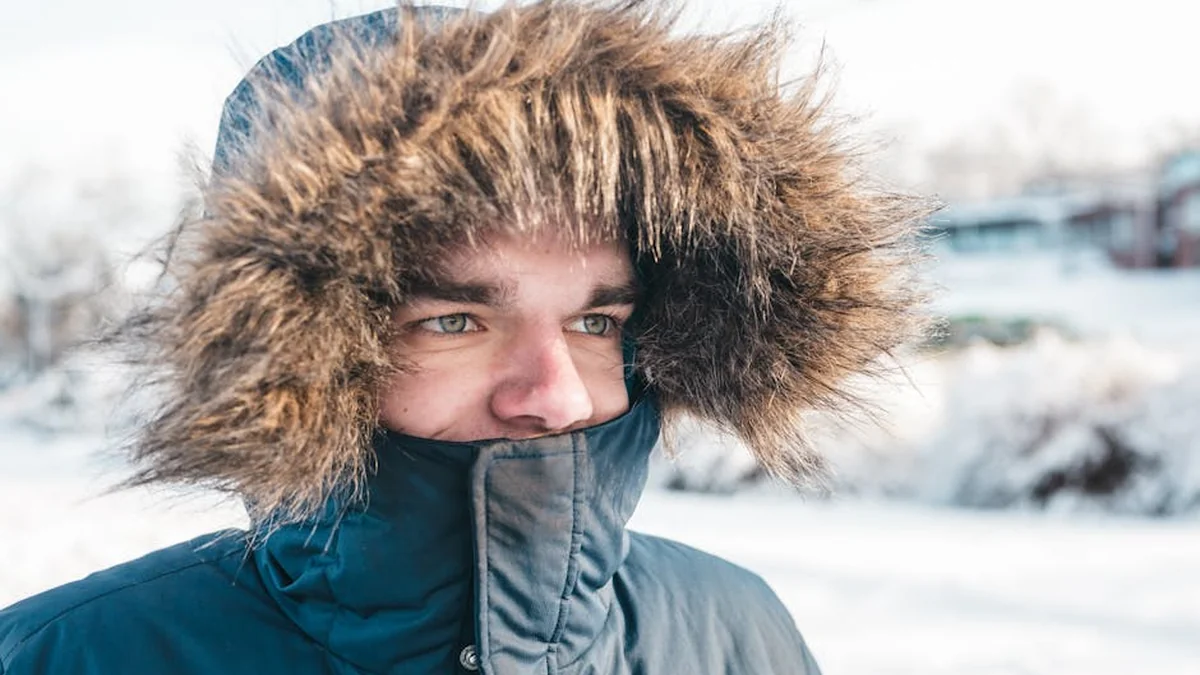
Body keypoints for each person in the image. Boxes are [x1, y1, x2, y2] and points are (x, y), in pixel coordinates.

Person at [0, 2, 925, 673]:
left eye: (595, 322)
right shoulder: (69, 655)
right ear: (297, 360)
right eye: (455, 321)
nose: (556, 393)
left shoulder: (735, 631)